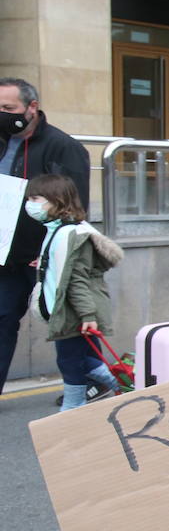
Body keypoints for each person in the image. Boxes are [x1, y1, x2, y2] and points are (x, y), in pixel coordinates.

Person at [0, 77, 91, 395]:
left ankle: (83, 386)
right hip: (6, 258)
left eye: (8, 108)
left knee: (66, 327)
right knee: (2, 319)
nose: (2, 114)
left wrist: (58, 251)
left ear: (31, 107)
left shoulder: (63, 147)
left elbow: (76, 206)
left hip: (46, 256)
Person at [24, 174, 122, 410]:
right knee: (75, 357)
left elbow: (78, 279)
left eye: (36, 198)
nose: (30, 204)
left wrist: (87, 316)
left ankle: (74, 404)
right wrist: (46, 263)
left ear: (56, 200)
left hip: (75, 311)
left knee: (69, 359)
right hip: (67, 309)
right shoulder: (57, 229)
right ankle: (116, 381)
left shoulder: (72, 234)